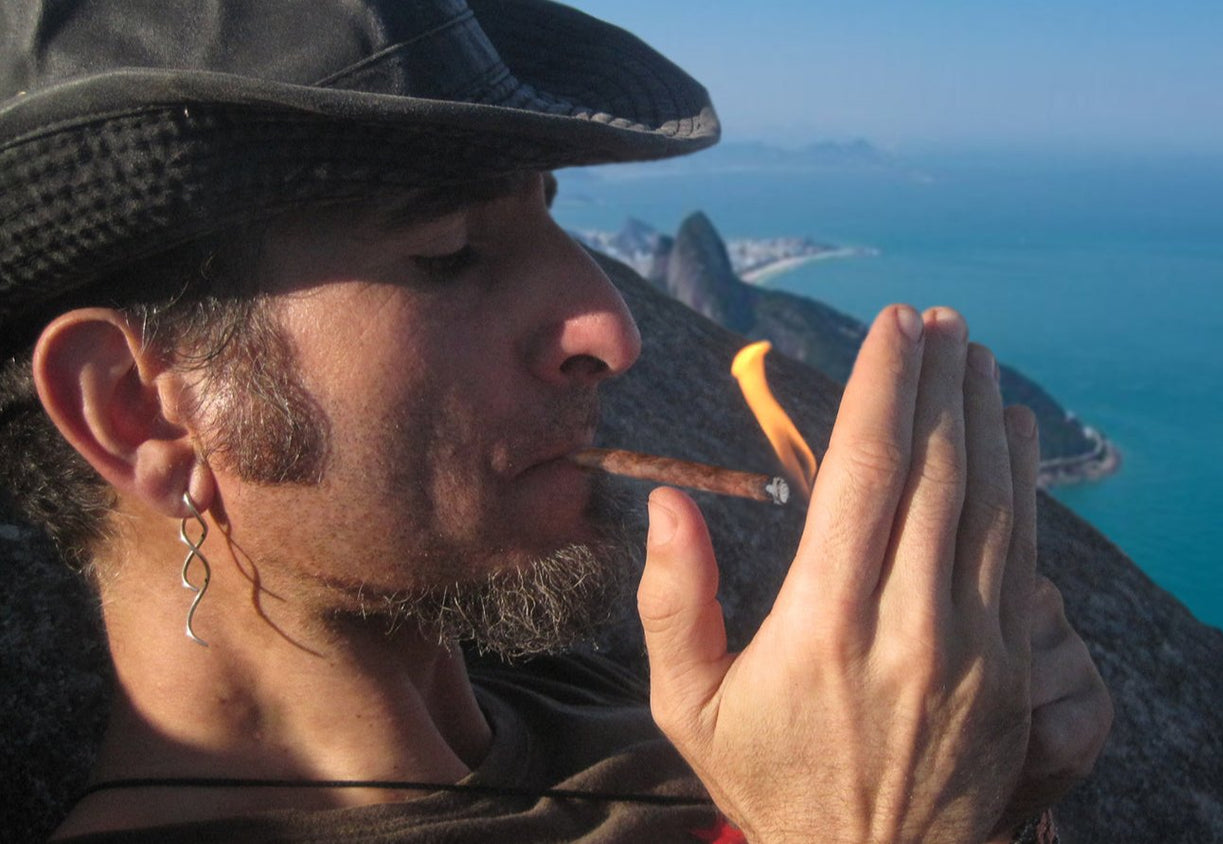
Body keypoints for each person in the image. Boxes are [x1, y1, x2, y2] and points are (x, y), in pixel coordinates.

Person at [0, 1, 1112, 841]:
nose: (612, 326)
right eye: (448, 252)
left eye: (548, 209)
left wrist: (987, 787)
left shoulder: (642, 715)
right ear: (142, 406)